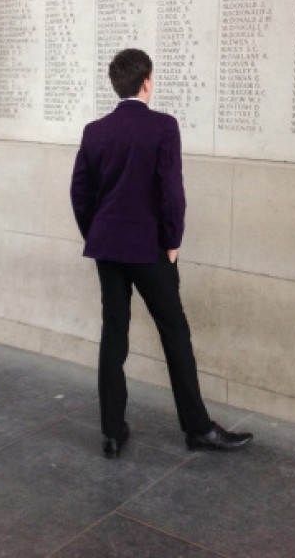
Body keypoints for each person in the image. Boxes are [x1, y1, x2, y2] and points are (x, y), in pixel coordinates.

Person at [70, 48, 253, 458]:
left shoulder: (95, 131)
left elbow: (80, 192)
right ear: (147, 82)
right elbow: (171, 191)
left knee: (113, 333)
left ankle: (112, 432)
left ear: (117, 85)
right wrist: (173, 241)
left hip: (109, 249)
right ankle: (197, 429)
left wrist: (96, 234)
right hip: (150, 249)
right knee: (174, 333)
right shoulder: (163, 127)